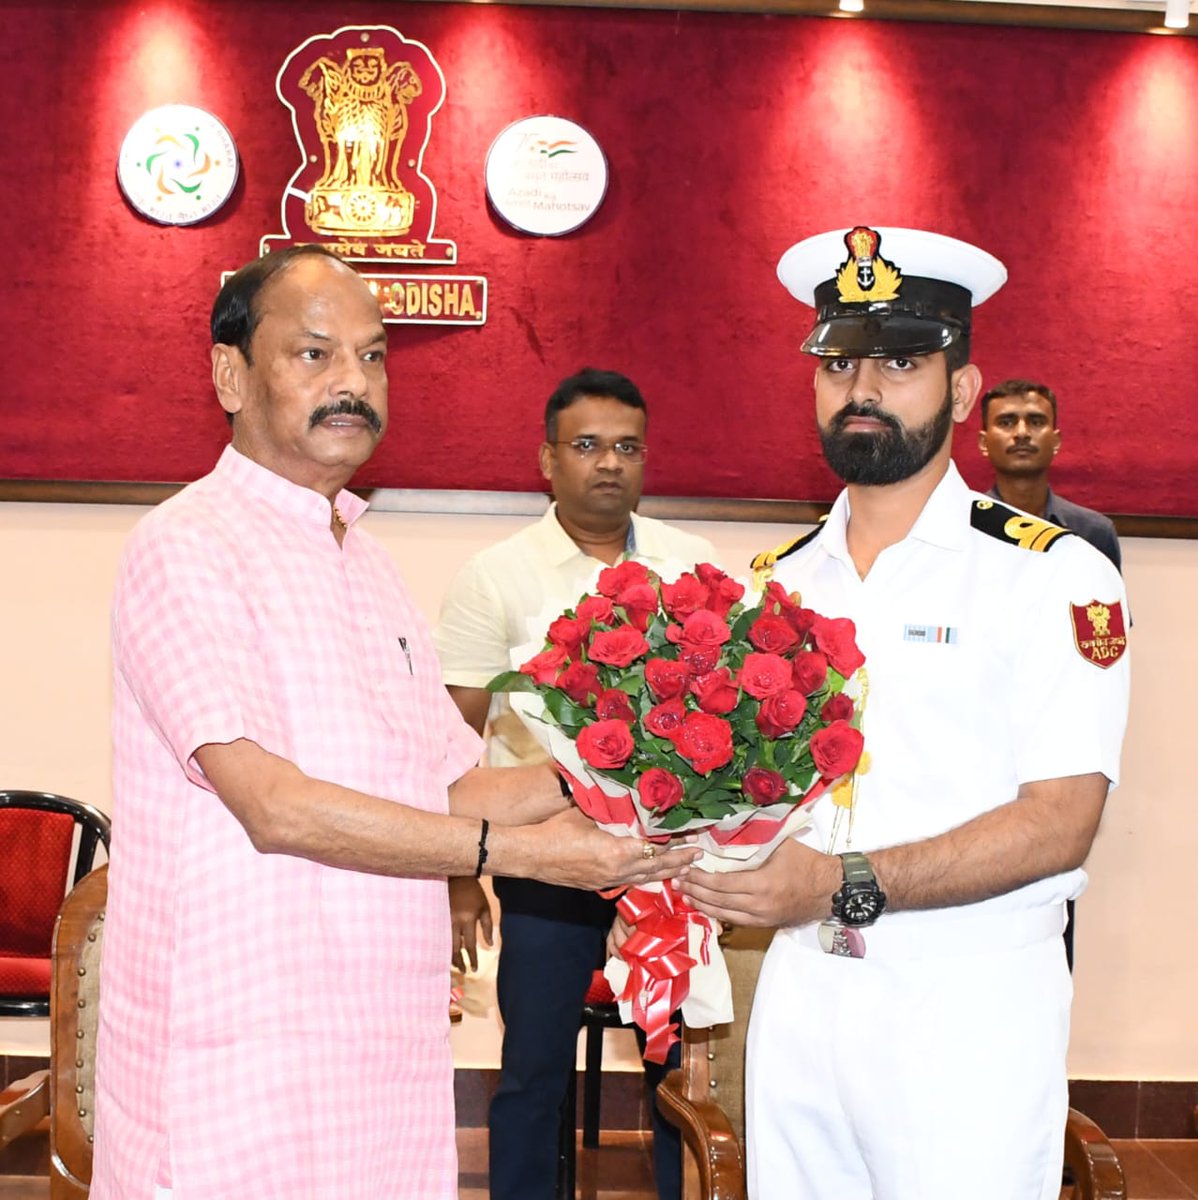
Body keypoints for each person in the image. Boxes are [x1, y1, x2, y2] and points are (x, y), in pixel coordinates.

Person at [92, 249, 696, 1200]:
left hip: (375, 1053)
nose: (353, 384)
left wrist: (636, 764)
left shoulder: (365, 562)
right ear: (229, 374)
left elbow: (448, 786)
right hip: (240, 1059)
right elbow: (274, 807)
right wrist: (529, 855)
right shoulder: (185, 546)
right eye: (316, 355)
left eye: (372, 358)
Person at [675, 226, 1130, 1200]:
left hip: (963, 1002)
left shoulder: (1048, 575)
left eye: (900, 361)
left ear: (961, 392)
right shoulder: (776, 584)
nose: (862, 389)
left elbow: (1060, 820)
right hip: (802, 989)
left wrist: (838, 884)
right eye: (837, 363)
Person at [433, 367, 717, 1200]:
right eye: (586, 446)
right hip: (546, 866)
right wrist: (459, 873)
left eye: (626, 447)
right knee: (532, 1075)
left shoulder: (692, 566)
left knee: (675, 1075)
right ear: (546, 460)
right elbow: (453, 736)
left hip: (669, 866)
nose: (608, 464)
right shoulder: (498, 575)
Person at [979, 377, 1122, 570]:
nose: (1022, 433)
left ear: (1056, 441)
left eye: (1036, 422)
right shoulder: (960, 528)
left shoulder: (1094, 533)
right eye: (1006, 422)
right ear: (983, 443)